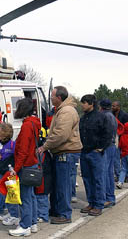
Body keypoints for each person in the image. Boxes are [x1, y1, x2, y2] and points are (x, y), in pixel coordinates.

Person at [38, 86, 82, 225]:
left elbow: (61, 134)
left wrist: (44, 147)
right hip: (62, 152)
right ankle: (57, 210)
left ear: (59, 97)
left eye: (52, 96)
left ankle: (64, 214)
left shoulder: (66, 111)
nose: (50, 98)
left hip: (66, 152)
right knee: (58, 184)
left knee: (63, 185)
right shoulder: (62, 110)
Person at [8, 98, 40, 237]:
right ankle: (32, 223)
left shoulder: (27, 125)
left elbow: (23, 150)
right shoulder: (34, 123)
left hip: (25, 165)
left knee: (25, 197)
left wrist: (16, 167)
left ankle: (25, 225)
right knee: (31, 196)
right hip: (32, 163)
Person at [79, 94, 112, 217]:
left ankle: (98, 205)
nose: (82, 105)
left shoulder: (101, 117)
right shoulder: (83, 118)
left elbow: (108, 133)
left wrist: (101, 147)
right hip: (84, 151)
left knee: (98, 179)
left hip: (96, 153)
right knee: (87, 179)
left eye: (84, 103)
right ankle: (91, 202)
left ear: (91, 104)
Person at [0, 123, 18, 226]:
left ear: (4, 133)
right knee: (5, 194)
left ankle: (14, 215)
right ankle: (10, 212)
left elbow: (17, 158)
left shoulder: (12, 144)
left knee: (12, 194)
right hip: (2, 172)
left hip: (10, 174)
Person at [99, 99, 118, 208]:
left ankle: (108, 197)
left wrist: (101, 146)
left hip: (107, 146)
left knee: (105, 172)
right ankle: (110, 197)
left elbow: (107, 133)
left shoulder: (105, 116)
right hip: (111, 145)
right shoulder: (111, 116)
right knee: (109, 172)